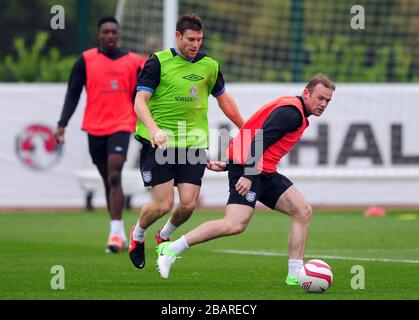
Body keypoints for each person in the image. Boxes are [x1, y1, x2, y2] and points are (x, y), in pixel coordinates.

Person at [155, 74, 336, 285]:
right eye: (320, 98)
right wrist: (247, 173)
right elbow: (260, 138)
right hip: (251, 169)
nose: (323, 104)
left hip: (261, 169)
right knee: (234, 223)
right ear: (307, 93)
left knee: (302, 211)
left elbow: (252, 133)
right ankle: (171, 248)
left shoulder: (295, 110)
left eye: (328, 101)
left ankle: (295, 273)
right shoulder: (291, 113)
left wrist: (231, 163)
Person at [129, 13, 244, 269]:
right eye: (191, 39)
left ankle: (164, 236)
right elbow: (139, 101)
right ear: (178, 36)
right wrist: (154, 129)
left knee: (189, 204)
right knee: (163, 204)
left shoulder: (210, 66)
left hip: (193, 142)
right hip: (160, 143)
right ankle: (137, 234)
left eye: (199, 39)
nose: (195, 44)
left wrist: (245, 127)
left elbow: (223, 99)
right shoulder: (158, 62)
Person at [55, 17, 147, 253]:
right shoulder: (86, 60)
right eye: (105, 31)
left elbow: (146, 93)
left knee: (115, 172)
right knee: (108, 178)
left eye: (113, 32)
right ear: (99, 35)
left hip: (122, 124)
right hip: (94, 127)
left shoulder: (133, 61)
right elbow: (73, 93)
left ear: (119, 35)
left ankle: (115, 234)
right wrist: (62, 123)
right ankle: (117, 229)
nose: (109, 35)